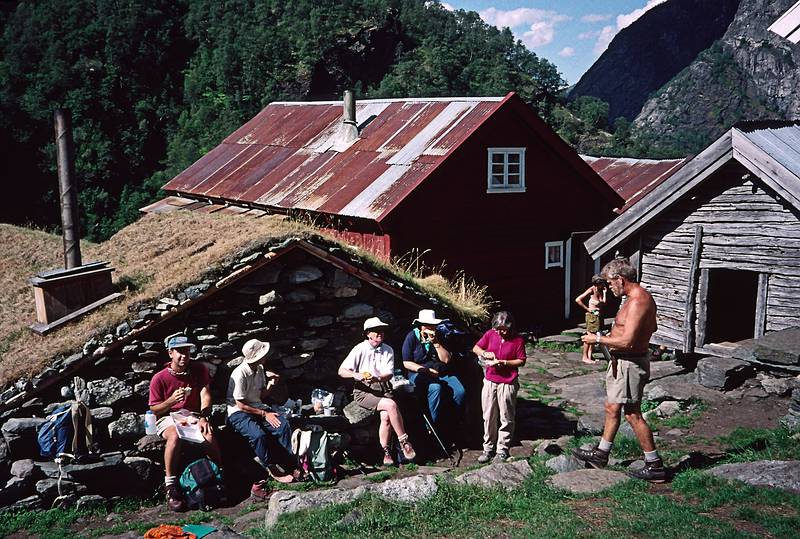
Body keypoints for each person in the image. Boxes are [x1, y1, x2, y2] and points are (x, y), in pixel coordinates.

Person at [573, 258, 666, 482]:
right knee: (611, 406)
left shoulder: (637, 302)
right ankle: (601, 454)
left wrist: (597, 338)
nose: (608, 288)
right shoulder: (633, 298)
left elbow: (628, 341)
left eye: (609, 283)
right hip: (622, 362)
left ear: (620, 279)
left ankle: (654, 465)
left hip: (629, 363)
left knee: (633, 414)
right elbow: (650, 327)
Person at [149, 334, 222, 512]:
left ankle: (219, 476)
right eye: (179, 352)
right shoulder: (159, 378)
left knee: (208, 434)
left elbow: (205, 395)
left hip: (192, 416)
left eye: (187, 352)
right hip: (168, 417)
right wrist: (171, 401)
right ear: (170, 353)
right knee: (174, 435)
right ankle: (171, 487)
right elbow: (155, 410)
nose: (184, 356)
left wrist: (204, 416)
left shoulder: (198, 370)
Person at [339, 317, 416, 466]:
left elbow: (389, 374)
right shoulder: (359, 349)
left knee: (386, 417)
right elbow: (341, 371)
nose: (380, 333)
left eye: (382, 331)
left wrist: (377, 378)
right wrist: (357, 375)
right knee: (391, 406)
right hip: (364, 392)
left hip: (383, 389)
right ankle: (404, 442)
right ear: (368, 334)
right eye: (376, 331)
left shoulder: (388, 350)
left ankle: (386, 452)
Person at [227, 339, 298, 499]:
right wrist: (264, 414)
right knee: (258, 435)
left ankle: (289, 463)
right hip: (239, 411)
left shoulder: (259, 369)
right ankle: (270, 466)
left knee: (283, 425)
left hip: (256, 406)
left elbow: (260, 396)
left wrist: (271, 384)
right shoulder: (240, 374)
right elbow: (241, 404)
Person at [402, 309, 466, 443]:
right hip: (419, 373)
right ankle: (432, 426)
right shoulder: (412, 337)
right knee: (435, 389)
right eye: (426, 325)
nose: (429, 328)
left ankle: (451, 424)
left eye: (432, 326)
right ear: (420, 326)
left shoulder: (440, 336)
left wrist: (436, 342)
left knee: (460, 391)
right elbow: (406, 362)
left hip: (441, 372)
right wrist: (424, 370)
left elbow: (446, 360)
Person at [472, 311, 526, 463]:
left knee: (506, 417)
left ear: (510, 326)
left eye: (503, 329)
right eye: (498, 328)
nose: (500, 332)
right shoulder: (490, 334)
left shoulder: (517, 340)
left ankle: (502, 449)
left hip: (508, 382)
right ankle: (488, 448)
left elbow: (521, 360)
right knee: (488, 416)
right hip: (490, 380)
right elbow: (476, 348)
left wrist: (503, 362)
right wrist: (484, 353)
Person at [575, 275, 607, 364]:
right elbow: (578, 300)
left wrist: (604, 293)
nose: (603, 285)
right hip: (591, 317)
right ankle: (585, 357)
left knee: (593, 337)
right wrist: (588, 309)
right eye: (601, 283)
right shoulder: (591, 290)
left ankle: (590, 356)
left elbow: (603, 303)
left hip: (598, 317)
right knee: (589, 336)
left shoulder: (599, 291)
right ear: (597, 283)